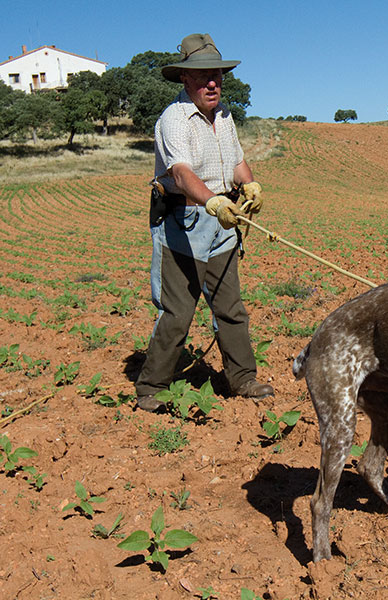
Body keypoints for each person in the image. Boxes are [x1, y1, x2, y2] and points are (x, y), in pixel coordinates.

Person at [135, 33, 273, 412]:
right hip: (184, 222)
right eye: (202, 76)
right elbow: (180, 174)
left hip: (222, 222)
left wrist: (250, 183)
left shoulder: (224, 116)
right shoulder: (174, 120)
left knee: (231, 307)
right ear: (185, 79)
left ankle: (242, 379)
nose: (212, 83)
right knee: (178, 312)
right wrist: (211, 200)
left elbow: (236, 161)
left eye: (216, 75)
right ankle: (151, 388)